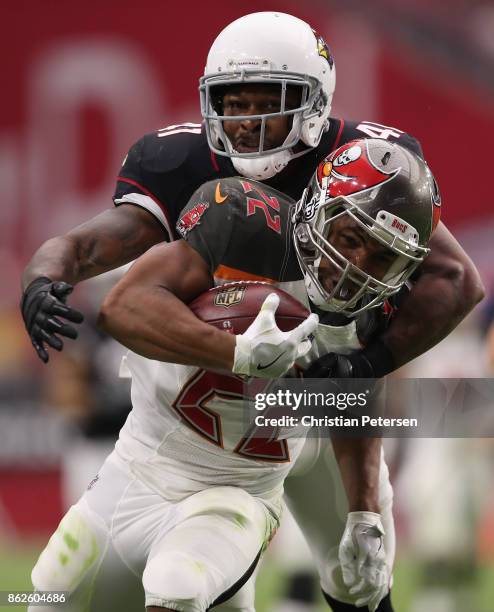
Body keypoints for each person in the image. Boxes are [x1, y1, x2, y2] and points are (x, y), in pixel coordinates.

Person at [21, 10, 484, 612]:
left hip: (316, 394)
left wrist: (368, 362)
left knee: (361, 577)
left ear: (315, 103)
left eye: (267, 101)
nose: (247, 122)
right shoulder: (195, 173)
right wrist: (43, 275)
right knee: (125, 586)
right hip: (210, 405)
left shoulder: (366, 166)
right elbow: (96, 255)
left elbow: (453, 277)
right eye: (232, 104)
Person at [30, 138, 441, 612]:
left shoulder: (376, 310)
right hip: (139, 471)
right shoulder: (243, 223)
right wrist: (237, 352)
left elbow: (353, 402)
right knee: (46, 596)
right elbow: (122, 307)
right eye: (350, 239)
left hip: (238, 494)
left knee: (179, 585)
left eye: (382, 257)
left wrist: (365, 511)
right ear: (319, 211)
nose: (356, 268)